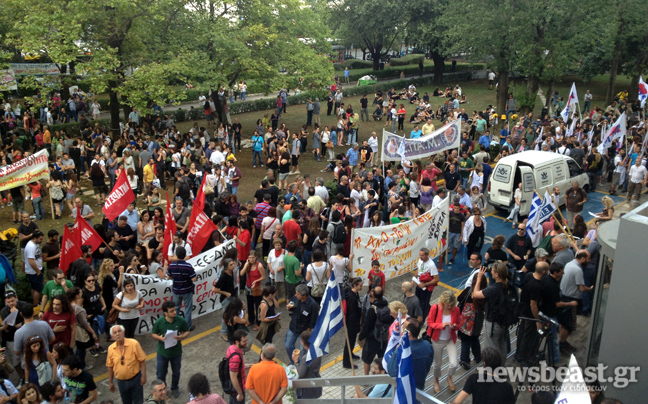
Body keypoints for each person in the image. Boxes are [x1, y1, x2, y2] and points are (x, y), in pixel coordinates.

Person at [472, 261, 518, 366]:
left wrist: (479, 278)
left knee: (491, 349)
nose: (490, 271)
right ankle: (501, 367)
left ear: (496, 274)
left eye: (492, 270)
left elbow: (475, 294)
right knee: (502, 346)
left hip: (493, 324)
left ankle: (492, 370)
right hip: (505, 323)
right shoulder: (510, 287)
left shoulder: (493, 289)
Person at [151, 301, 190, 398]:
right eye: (171, 311)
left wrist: (182, 337)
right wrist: (159, 338)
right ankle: (161, 389)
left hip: (176, 352)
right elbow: (153, 334)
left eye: (175, 309)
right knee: (161, 373)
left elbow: (187, 331)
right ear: (165, 313)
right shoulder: (159, 322)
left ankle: (174, 387)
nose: (175, 312)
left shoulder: (180, 320)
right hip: (162, 353)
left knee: (176, 372)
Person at [514, 262, 549, 367]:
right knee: (528, 336)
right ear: (544, 272)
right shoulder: (537, 286)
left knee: (521, 333)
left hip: (523, 310)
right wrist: (537, 320)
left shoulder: (529, 275)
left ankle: (518, 354)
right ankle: (523, 358)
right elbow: (533, 304)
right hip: (530, 315)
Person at [387, 318, 434, 392]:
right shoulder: (428, 346)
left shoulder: (401, 351)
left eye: (403, 328)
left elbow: (391, 371)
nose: (402, 328)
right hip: (420, 387)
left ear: (409, 333)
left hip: (403, 390)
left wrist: (397, 350)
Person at [559, 250, 592, 354]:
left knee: (563, 322)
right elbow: (582, 288)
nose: (589, 260)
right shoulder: (578, 270)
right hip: (571, 299)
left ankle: (562, 341)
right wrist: (590, 288)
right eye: (588, 258)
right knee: (568, 325)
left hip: (563, 296)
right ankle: (562, 344)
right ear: (582, 258)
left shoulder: (569, 264)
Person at [426, 291, 460, 393]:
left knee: (454, 363)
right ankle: (436, 381)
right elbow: (429, 322)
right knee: (437, 364)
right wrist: (441, 325)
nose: (450, 307)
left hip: (450, 339)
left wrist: (455, 326)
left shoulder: (456, 309)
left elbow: (459, 324)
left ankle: (449, 377)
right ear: (443, 302)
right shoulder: (435, 308)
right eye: (448, 304)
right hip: (437, 339)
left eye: (451, 305)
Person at [106, 325, 147, 404]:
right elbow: (110, 366)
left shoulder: (134, 343)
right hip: (121, 382)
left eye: (119, 331)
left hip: (135, 379)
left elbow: (142, 361)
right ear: (112, 336)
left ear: (123, 332)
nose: (118, 334)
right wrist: (110, 382)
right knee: (126, 402)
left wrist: (144, 376)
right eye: (115, 333)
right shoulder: (111, 349)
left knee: (138, 402)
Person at [457, 271, 486, 370]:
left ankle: (465, 360)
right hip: (478, 320)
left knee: (465, 341)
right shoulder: (485, 293)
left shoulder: (469, 291)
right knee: (475, 339)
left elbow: (459, 298)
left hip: (466, 321)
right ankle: (478, 357)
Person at [358, 286, 390, 375]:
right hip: (384, 338)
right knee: (382, 358)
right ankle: (383, 375)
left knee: (367, 359)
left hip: (372, 338)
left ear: (373, 295)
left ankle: (366, 378)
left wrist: (361, 336)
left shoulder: (373, 310)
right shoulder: (387, 307)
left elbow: (367, 326)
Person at [284, 284, 318, 364]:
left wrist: (308, 329)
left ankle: (301, 365)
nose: (295, 295)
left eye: (297, 294)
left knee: (303, 351)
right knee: (288, 346)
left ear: (304, 295)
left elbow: (314, 318)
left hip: (303, 331)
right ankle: (293, 361)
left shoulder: (312, 305)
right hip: (293, 327)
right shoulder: (295, 298)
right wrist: (289, 307)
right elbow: (291, 303)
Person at [166, 246, 197, 331]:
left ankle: (177, 326)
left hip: (176, 290)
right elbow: (194, 278)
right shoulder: (188, 266)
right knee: (188, 309)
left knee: (176, 309)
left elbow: (168, 277)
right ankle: (187, 327)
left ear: (176, 255)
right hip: (187, 290)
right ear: (185, 255)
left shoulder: (171, 266)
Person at [291, 330, 322, 399]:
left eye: (302, 341)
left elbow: (300, 374)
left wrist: (296, 361)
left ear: (304, 343)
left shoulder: (306, 358)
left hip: (307, 389)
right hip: (316, 383)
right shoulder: (318, 352)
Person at [415, 248, 439, 319]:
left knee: (424, 305)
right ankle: (432, 311)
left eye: (422, 255)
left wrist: (425, 284)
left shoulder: (431, 265)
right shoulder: (420, 260)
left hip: (426, 288)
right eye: (419, 255)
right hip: (419, 285)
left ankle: (422, 320)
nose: (420, 257)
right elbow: (418, 269)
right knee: (418, 301)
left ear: (427, 255)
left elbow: (436, 279)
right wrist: (413, 280)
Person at [227, 330, 249, 404]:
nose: (247, 342)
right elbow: (233, 377)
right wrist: (240, 393)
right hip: (237, 389)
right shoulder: (236, 357)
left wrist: (253, 365)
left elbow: (239, 367)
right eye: (244, 341)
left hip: (233, 389)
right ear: (237, 341)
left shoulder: (231, 348)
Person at [24, 230, 45, 307]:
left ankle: (35, 302)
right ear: (35, 238)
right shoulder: (31, 246)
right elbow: (31, 261)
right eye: (40, 239)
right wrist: (38, 271)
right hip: (34, 271)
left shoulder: (35, 244)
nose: (42, 241)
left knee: (34, 288)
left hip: (36, 270)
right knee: (38, 289)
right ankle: (35, 305)